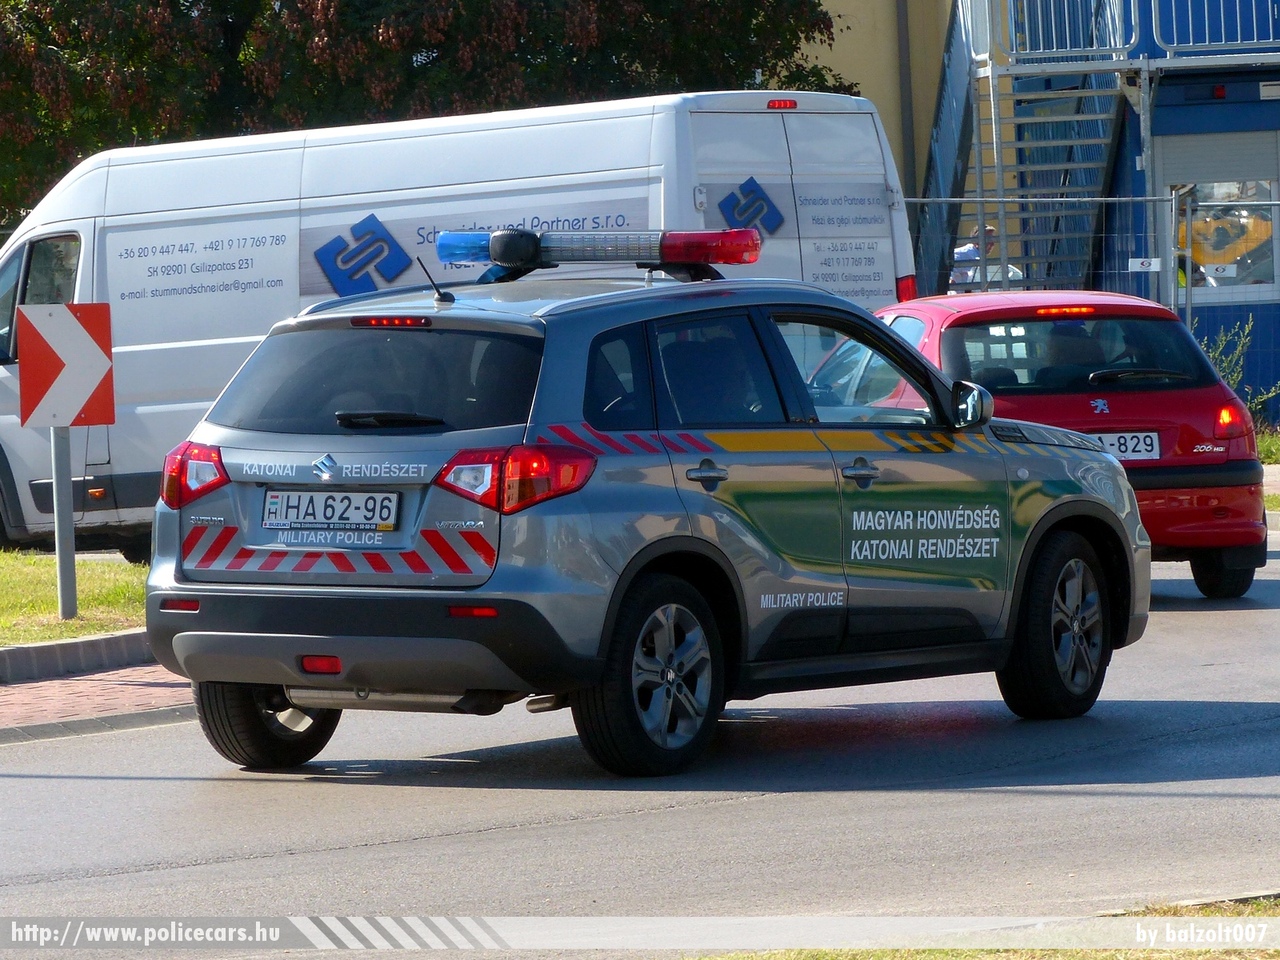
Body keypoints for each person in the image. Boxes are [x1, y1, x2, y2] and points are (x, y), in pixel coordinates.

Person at [950, 225, 1023, 289]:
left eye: (993, 240)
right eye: (988, 239)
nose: (992, 244)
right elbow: (949, 276)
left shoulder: (977, 255)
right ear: (976, 241)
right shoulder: (963, 253)